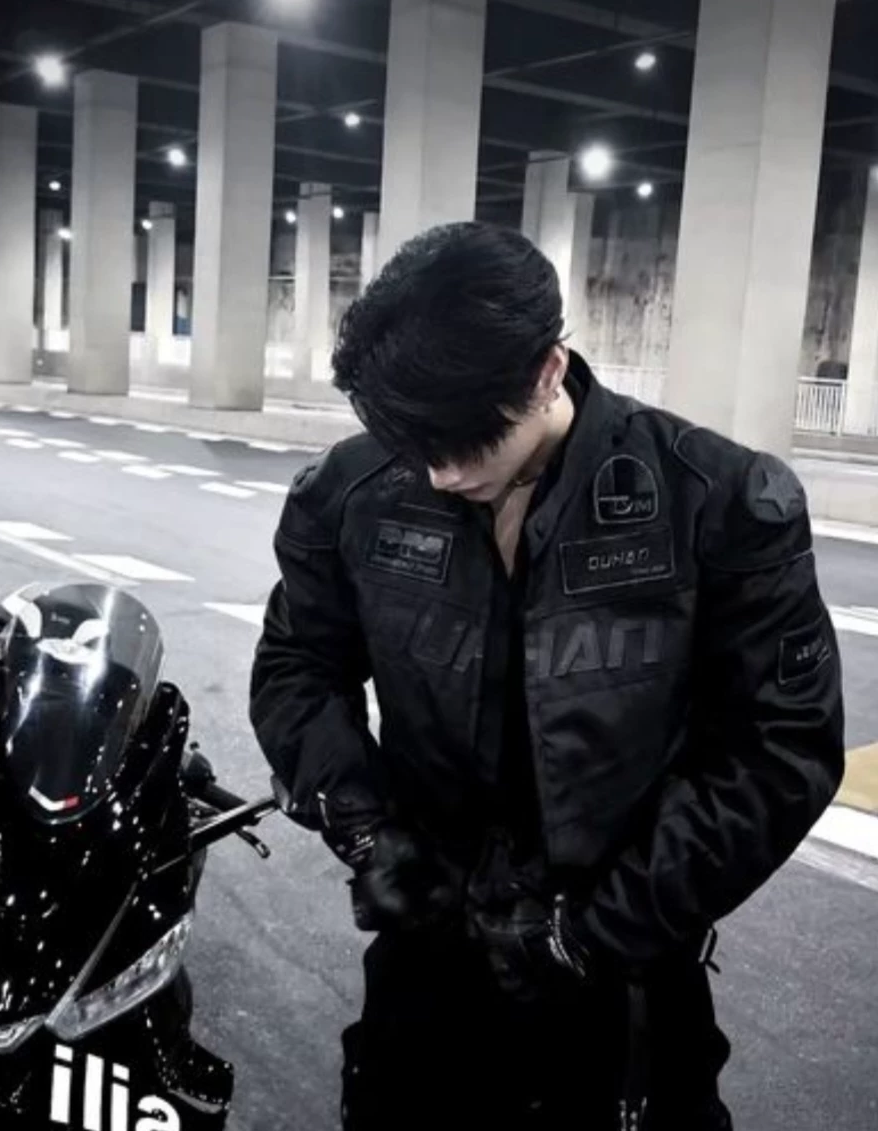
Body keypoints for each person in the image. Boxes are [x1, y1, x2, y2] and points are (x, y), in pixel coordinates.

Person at [249, 222, 844, 1131]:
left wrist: (597, 930)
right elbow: (297, 667)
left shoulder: (716, 503)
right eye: (416, 445)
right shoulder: (350, 494)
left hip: (629, 987)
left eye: (464, 442)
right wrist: (369, 832)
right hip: (425, 967)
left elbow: (779, 748)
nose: (441, 474)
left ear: (546, 372)